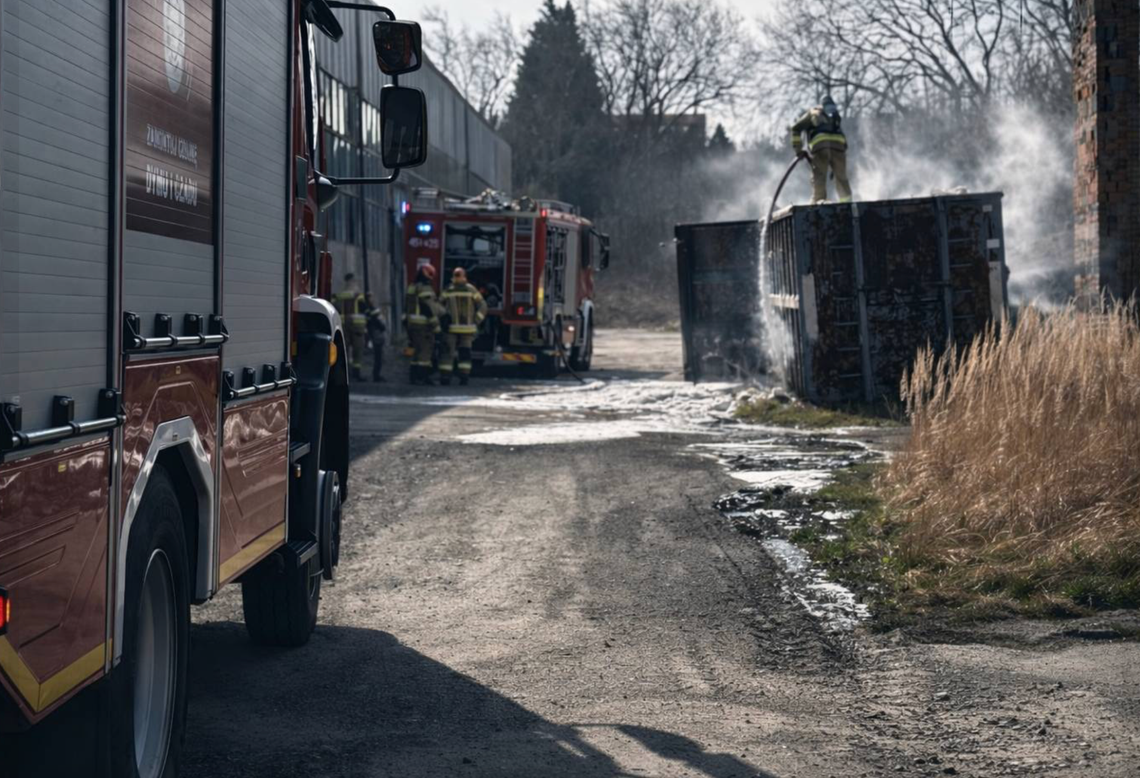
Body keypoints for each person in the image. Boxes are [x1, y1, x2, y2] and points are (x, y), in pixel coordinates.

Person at [788, 95, 853, 205]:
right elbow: (841, 136)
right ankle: (847, 206)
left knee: (819, 178)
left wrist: (798, 150)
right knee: (842, 179)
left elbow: (795, 128)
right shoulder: (835, 115)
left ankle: (819, 205)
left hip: (820, 146)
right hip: (838, 147)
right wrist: (836, 164)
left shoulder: (813, 112)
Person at [438, 267, 487, 386]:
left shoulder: (448, 290)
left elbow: (438, 305)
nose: (458, 278)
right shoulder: (471, 290)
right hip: (466, 329)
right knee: (464, 353)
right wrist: (476, 321)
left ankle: (445, 378)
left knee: (448, 353)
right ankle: (463, 378)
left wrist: (444, 319)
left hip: (451, 329)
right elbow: (483, 306)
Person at [404, 265, 440, 385]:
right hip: (423, 325)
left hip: (412, 324)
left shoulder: (412, 287)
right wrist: (436, 324)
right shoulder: (424, 288)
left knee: (416, 351)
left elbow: (407, 306)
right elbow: (427, 307)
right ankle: (423, 377)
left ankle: (413, 376)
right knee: (425, 351)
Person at [332, 272, 368, 381]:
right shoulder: (358, 295)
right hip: (357, 326)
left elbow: (335, 307)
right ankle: (356, 374)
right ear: (352, 281)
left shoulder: (340, 295)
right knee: (358, 350)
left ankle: (344, 374)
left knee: (344, 350)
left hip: (343, 325)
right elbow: (364, 309)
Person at [364, 292, 387, 382]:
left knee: (379, 357)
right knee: (378, 357)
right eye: (370, 298)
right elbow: (375, 321)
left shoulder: (371, 309)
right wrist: (382, 327)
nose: (372, 299)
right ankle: (376, 376)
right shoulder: (370, 309)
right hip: (376, 333)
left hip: (377, 333)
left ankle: (377, 375)